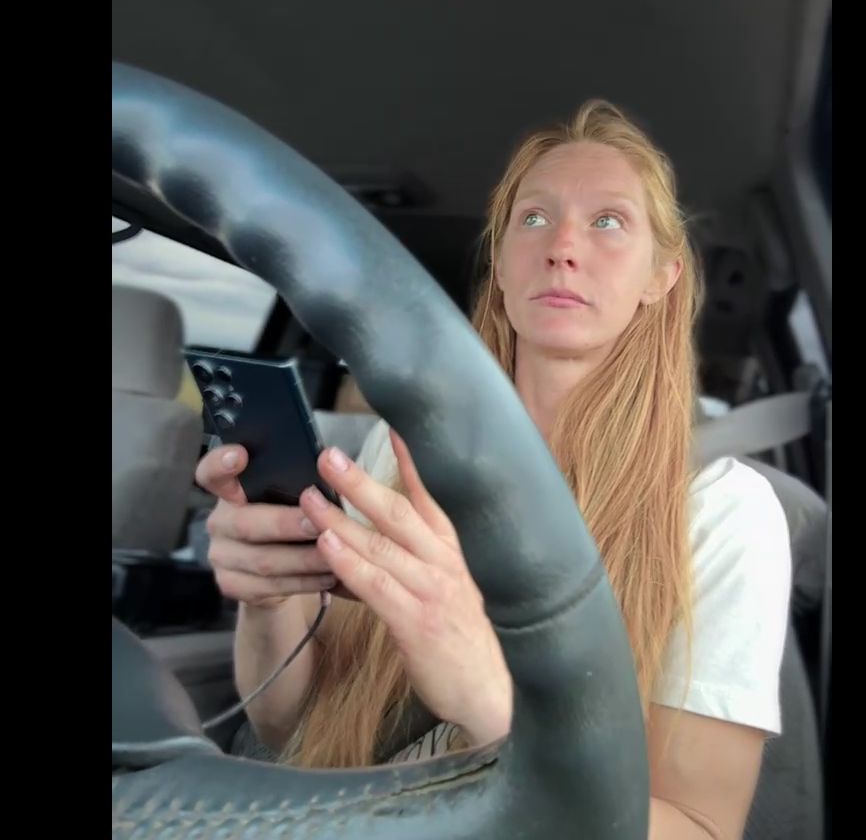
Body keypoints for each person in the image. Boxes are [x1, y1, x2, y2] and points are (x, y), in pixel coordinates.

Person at [196, 100, 791, 838]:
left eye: (609, 222)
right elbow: (292, 728)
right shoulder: (396, 453)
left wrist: (489, 699)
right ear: (503, 263)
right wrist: (268, 601)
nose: (563, 246)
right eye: (534, 218)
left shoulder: (723, 513)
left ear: (660, 277)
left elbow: (702, 829)